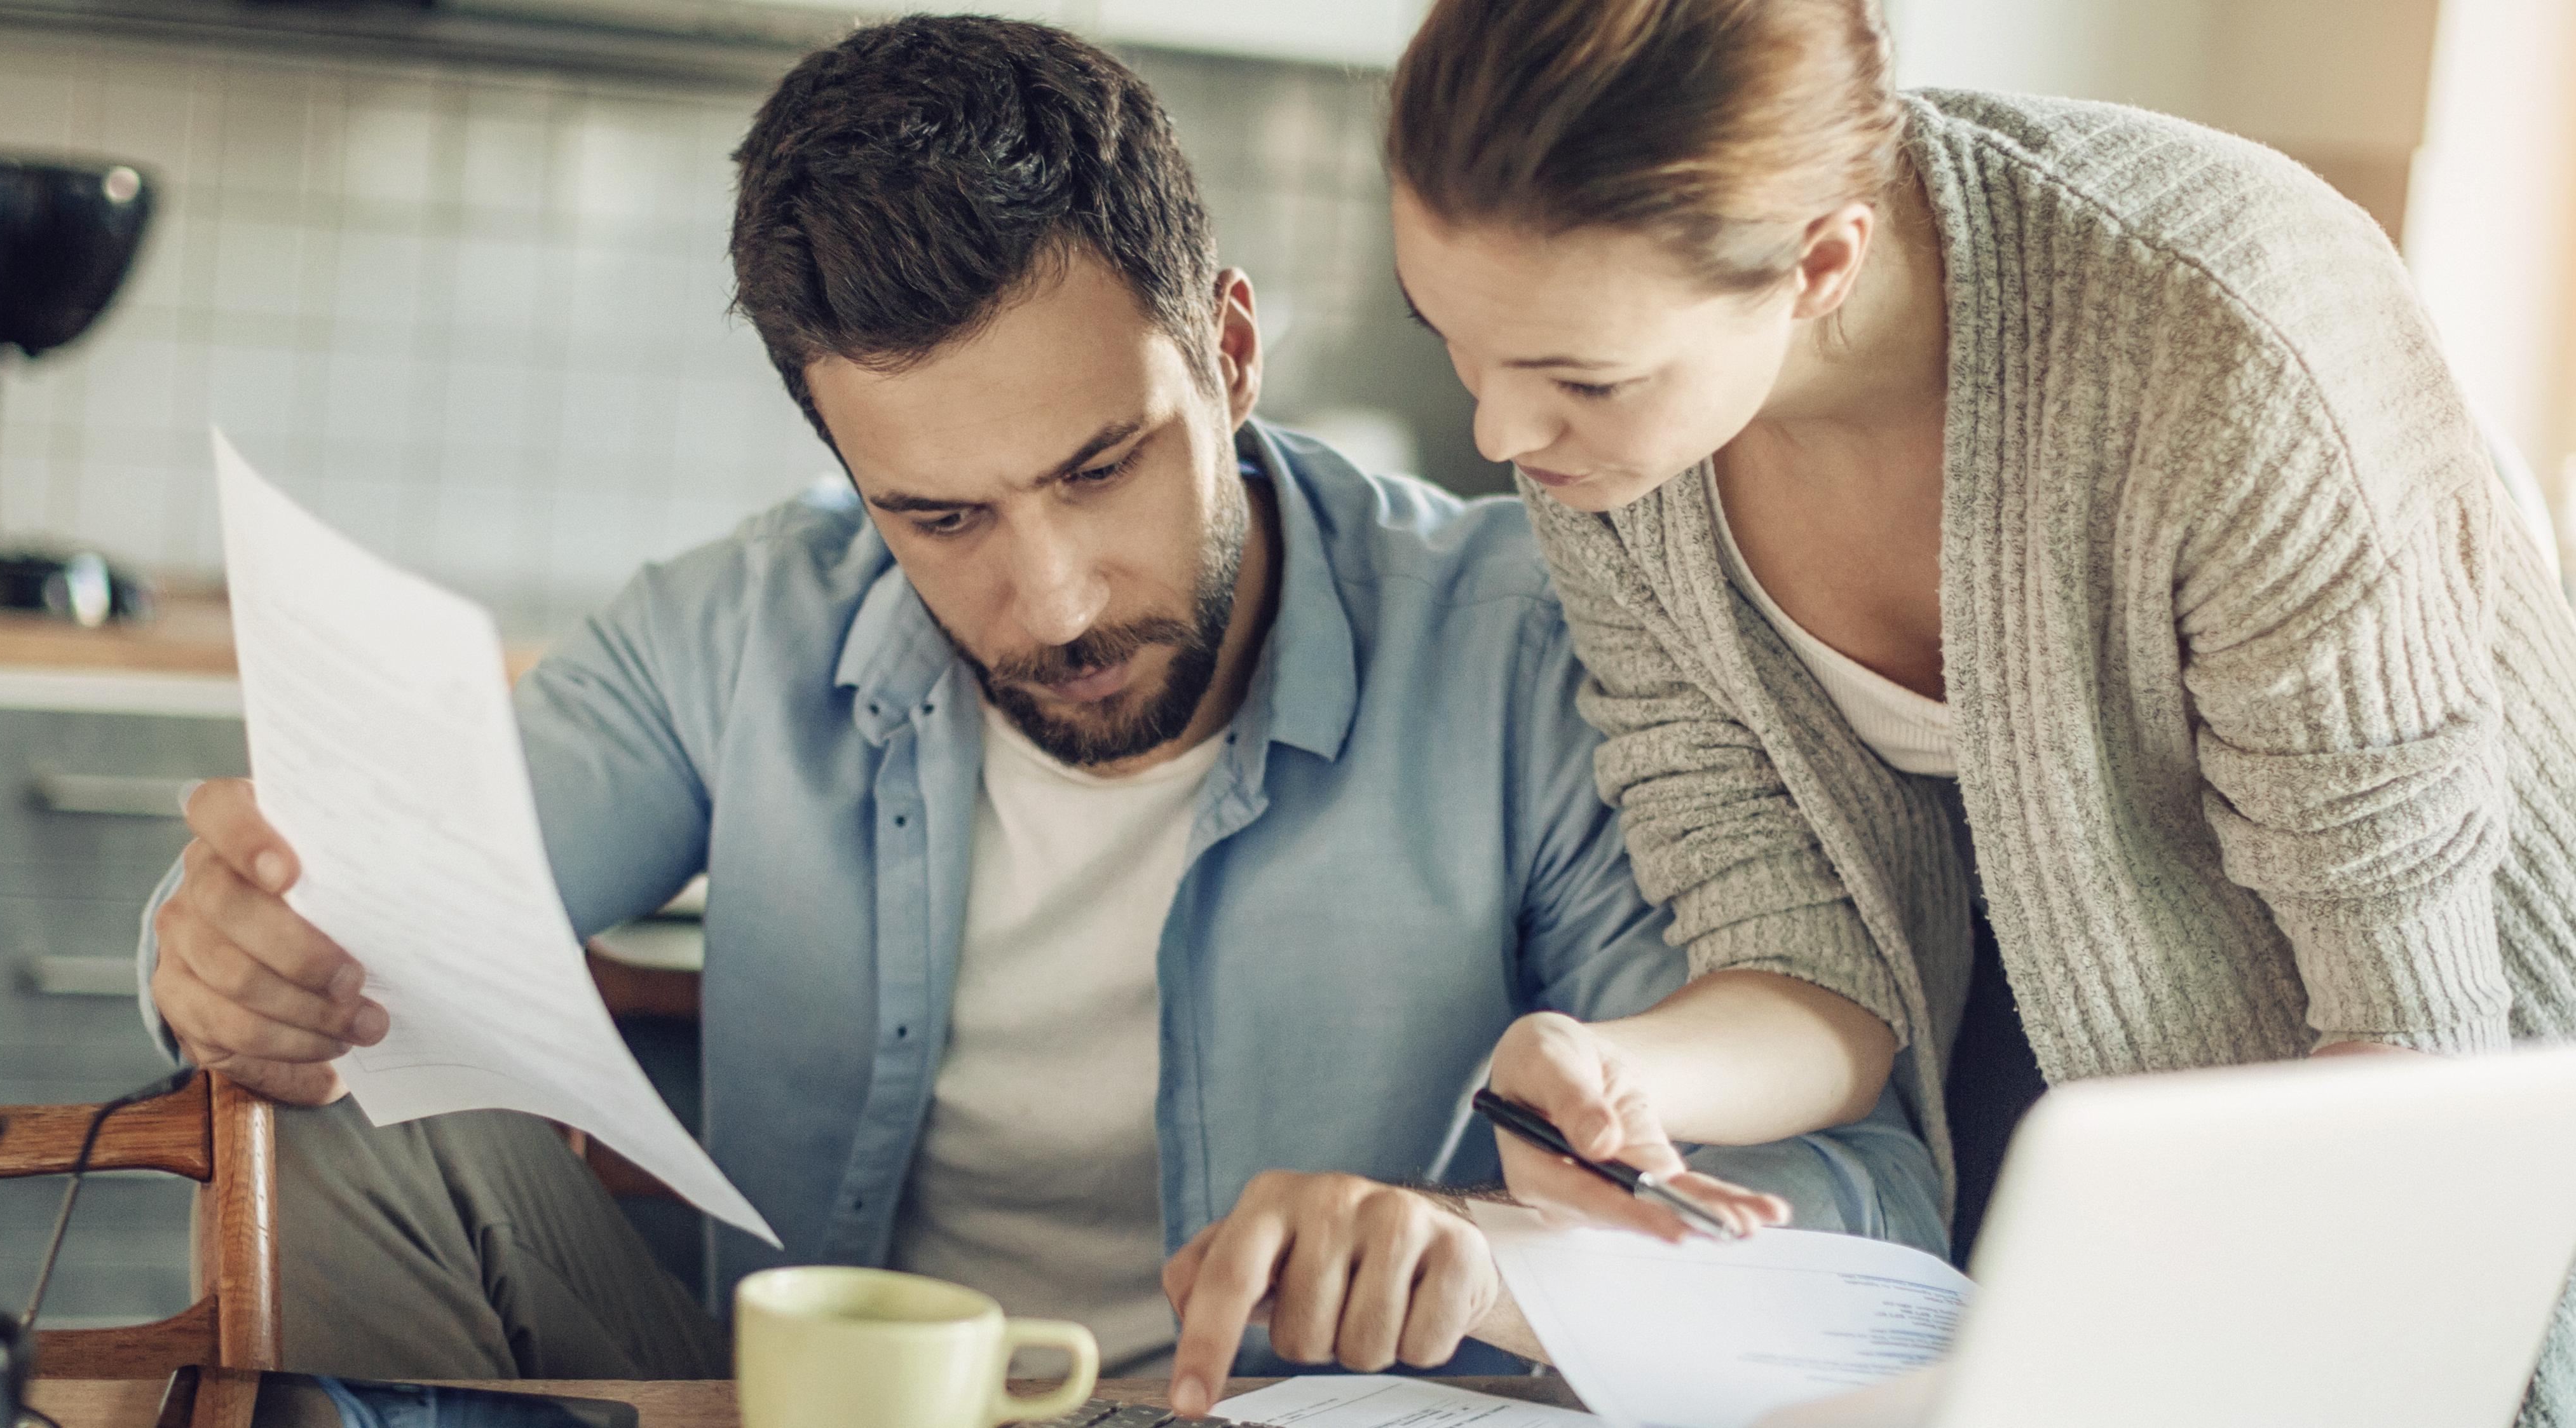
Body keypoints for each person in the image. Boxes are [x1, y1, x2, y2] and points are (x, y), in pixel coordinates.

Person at [135, 14, 1936, 1412]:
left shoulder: (1532, 648)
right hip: (787, 1412)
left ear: (1229, 350)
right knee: (314, 1096)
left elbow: (1857, 1216)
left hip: (1304, 1424)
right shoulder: (737, 630)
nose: (1054, 598)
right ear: (847, 467)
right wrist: (224, 951)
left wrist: (1492, 1257)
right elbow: (368, 910)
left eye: (1102, 467)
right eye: (943, 519)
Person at [1373, 1, 2576, 1425]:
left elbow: (2409, 1046)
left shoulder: (2222, 334)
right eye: (1457, 341)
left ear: (1818, 260)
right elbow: (1803, 958)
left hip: (2427, 1030)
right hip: (2063, 1030)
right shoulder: (1613, 463)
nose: (1498, 437)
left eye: (1580, 377)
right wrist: (1618, 1067)